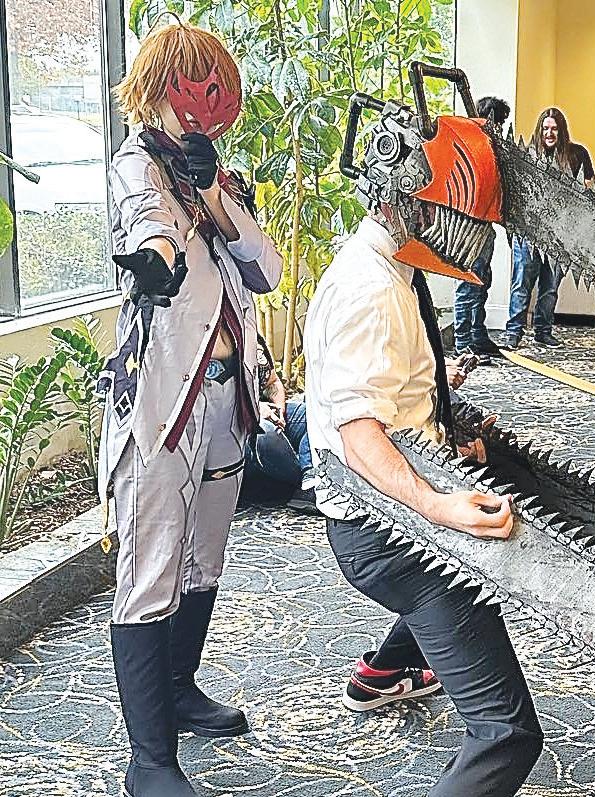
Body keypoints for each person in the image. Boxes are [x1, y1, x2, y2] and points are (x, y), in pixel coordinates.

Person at [304, 108, 543, 796]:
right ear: (409, 202)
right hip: (390, 535)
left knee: (473, 591)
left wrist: (446, 421)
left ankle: (385, 670)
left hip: (386, 523)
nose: (467, 236)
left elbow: (389, 397)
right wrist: (438, 505)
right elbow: (359, 434)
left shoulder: (391, 271)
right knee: (507, 732)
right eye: (456, 216)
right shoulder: (372, 291)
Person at [97, 22, 282, 797]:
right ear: (159, 89)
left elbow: (265, 267)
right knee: (150, 567)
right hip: (162, 399)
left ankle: (178, 689)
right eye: (191, 92)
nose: (200, 113)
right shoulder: (136, 166)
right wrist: (155, 261)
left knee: (204, 556)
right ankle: (149, 759)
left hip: (225, 399)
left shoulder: (209, 174)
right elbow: (152, 229)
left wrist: (211, 191)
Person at [502, 107, 595, 349]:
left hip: (561, 234)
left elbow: (590, 190)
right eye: (545, 128)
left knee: (550, 287)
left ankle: (543, 331)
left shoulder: (577, 154)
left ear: (562, 131)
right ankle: (513, 332)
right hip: (528, 232)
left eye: (554, 129)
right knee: (521, 283)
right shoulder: (528, 154)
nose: (549, 133)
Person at [453, 96, 511, 363]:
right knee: (468, 282)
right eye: (498, 122)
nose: (499, 127)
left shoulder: (489, 146)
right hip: (468, 225)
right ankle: (463, 342)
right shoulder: (470, 143)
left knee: (482, 281)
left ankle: (477, 334)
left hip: (485, 223)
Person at [241, 333, 313, 508]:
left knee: (316, 416)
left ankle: (310, 482)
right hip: (237, 423)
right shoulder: (206, 342)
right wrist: (255, 409)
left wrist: (280, 410)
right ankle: (298, 480)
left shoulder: (251, 336)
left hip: (267, 412)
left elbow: (273, 382)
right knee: (264, 432)